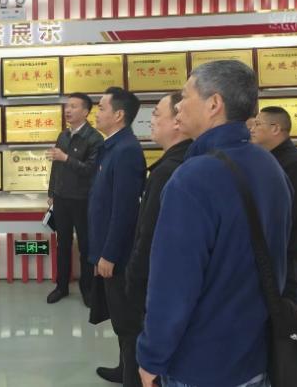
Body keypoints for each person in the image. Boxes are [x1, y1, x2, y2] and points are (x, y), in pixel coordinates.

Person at [137, 60, 292, 387]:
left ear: (214, 104)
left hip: (200, 364)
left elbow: (173, 284)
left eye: (185, 96)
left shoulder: (192, 178)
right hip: (257, 354)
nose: (178, 105)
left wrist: (151, 357)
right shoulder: (270, 166)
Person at [97, 93, 192, 384]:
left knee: (131, 330)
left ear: (177, 121)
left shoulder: (164, 168)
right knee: (125, 329)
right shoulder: (120, 149)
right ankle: (125, 369)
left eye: (157, 114)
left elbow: (136, 221)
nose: (151, 121)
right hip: (144, 269)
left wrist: (127, 271)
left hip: (145, 272)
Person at [88, 87, 146, 386]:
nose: (96, 113)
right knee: (119, 317)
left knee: (127, 321)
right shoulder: (112, 147)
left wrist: (109, 254)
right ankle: (124, 368)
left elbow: (124, 210)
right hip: (106, 250)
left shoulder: (126, 151)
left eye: (101, 107)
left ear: (119, 114)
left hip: (118, 256)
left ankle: (132, 378)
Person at [250, 106, 297, 311]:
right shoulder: (267, 160)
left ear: (275, 128)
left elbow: (284, 214)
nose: (252, 128)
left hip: (285, 255)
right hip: (265, 252)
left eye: (258, 124)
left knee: (287, 314)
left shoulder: (296, 164)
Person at [46, 92, 104, 305]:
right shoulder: (63, 135)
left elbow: (91, 170)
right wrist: (51, 192)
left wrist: (66, 158)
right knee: (63, 244)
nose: (68, 110)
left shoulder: (95, 138)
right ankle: (61, 287)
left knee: (86, 245)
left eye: (73, 106)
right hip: (61, 199)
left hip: (83, 200)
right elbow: (56, 166)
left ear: (86, 112)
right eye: (67, 106)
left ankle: (87, 290)